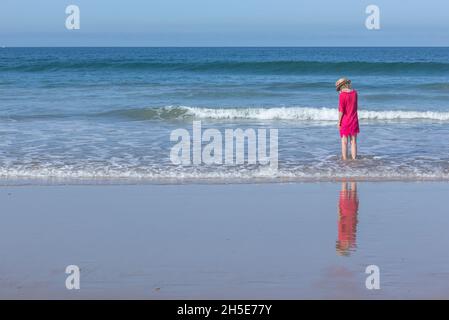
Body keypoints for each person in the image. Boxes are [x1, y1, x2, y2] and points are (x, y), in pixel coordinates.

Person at [336, 78, 359, 160]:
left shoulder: (342, 95)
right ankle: (354, 159)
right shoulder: (355, 93)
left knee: (344, 142)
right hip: (354, 119)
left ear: (341, 86)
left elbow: (341, 110)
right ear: (347, 84)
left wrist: (339, 122)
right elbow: (353, 106)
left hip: (345, 120)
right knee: (353, 141)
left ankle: (345, 159)